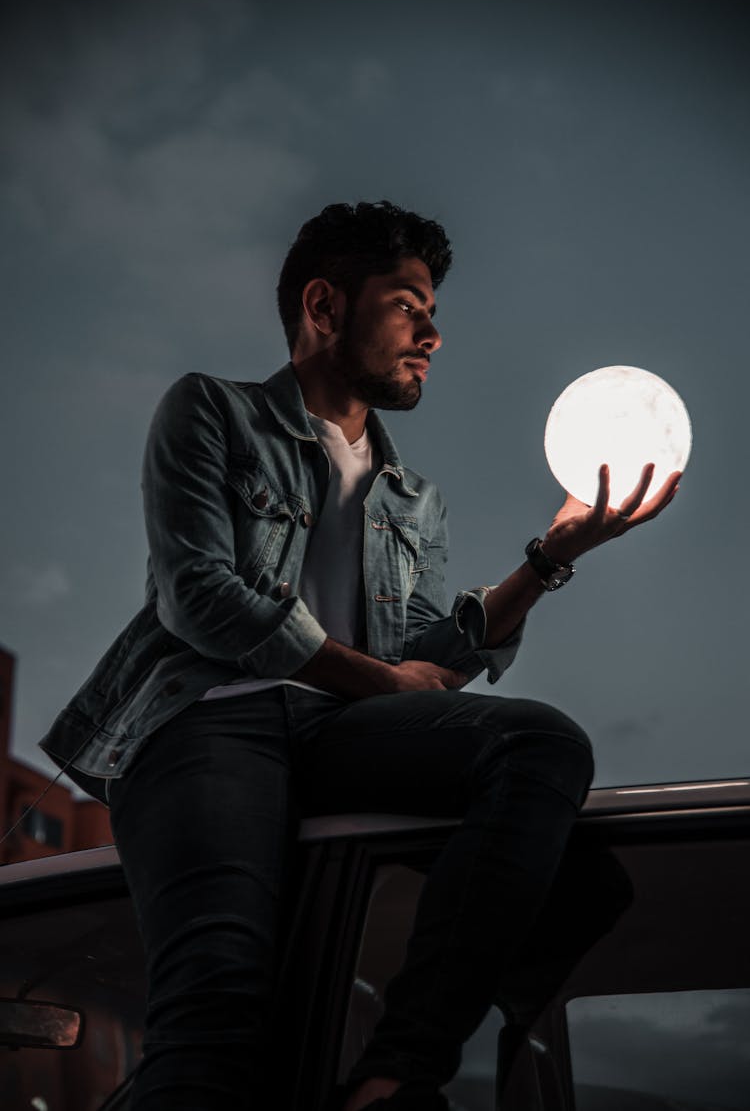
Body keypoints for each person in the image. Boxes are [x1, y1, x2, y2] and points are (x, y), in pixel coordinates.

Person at [41, 201, 681, 1111]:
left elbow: (429, 667)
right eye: (410, 305)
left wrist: (550, 557)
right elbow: (201, 599)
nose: (434, 334)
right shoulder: (212, 411)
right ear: (325, 306)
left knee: (540, 745)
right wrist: (379, 681)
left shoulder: (415, 501)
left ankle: (395, 1073)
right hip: (207, 721)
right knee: (218, 1019)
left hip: (337, 732)